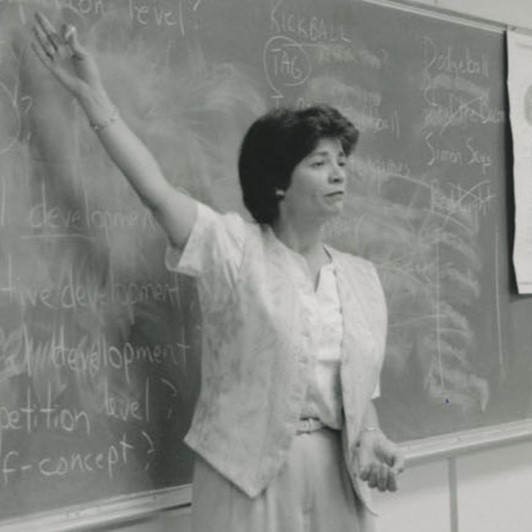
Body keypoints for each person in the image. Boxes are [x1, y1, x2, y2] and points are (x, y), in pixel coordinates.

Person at [31, 11, 405, 532]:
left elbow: (359, 396)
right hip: (244, 474)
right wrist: (91, 95)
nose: (339, 172)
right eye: (320, 162)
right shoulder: (234, 248)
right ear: (278, 181)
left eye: (342, 160)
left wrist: (371, 436)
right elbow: (155, 192)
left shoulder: (362, 278)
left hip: (337, 474)